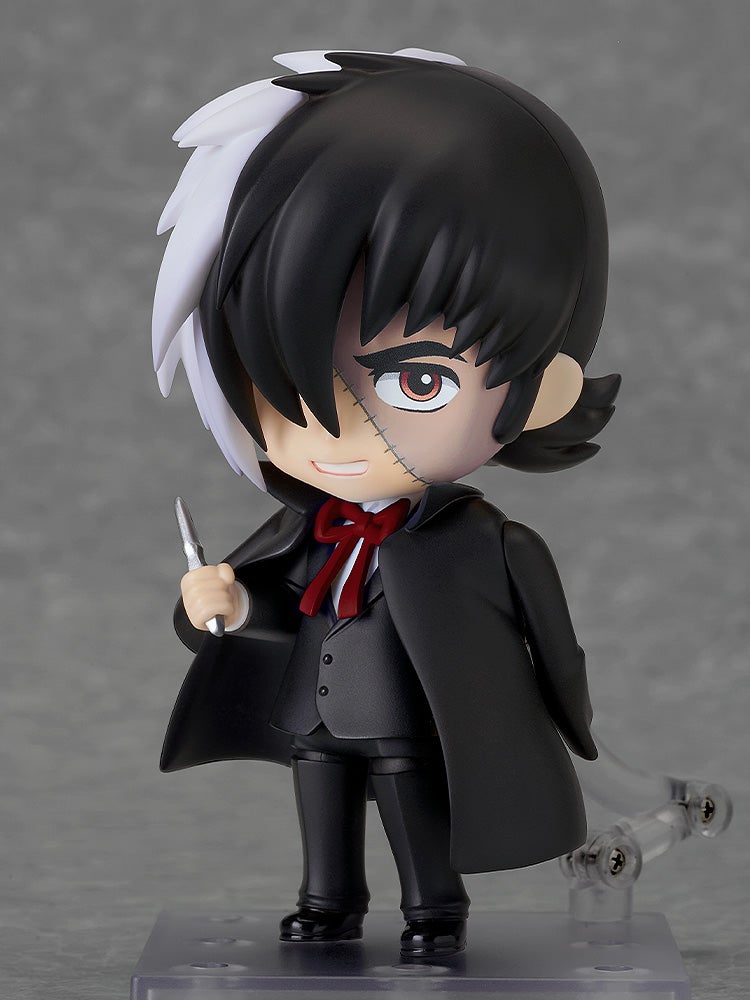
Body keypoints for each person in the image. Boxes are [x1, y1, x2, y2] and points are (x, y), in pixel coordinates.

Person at [153, 48, 620, 958]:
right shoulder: (304, 527)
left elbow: (555, 651)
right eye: (280, 380)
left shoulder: (484, 541)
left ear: (545, 389)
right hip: (314, 716)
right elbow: (267, 605)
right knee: (321, 815)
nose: (334, 427)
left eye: (416, 381)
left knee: (415, 815)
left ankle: (432, 911)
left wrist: (565, 727)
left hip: (408, 721)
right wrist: (227, 606)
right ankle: (326, 905)